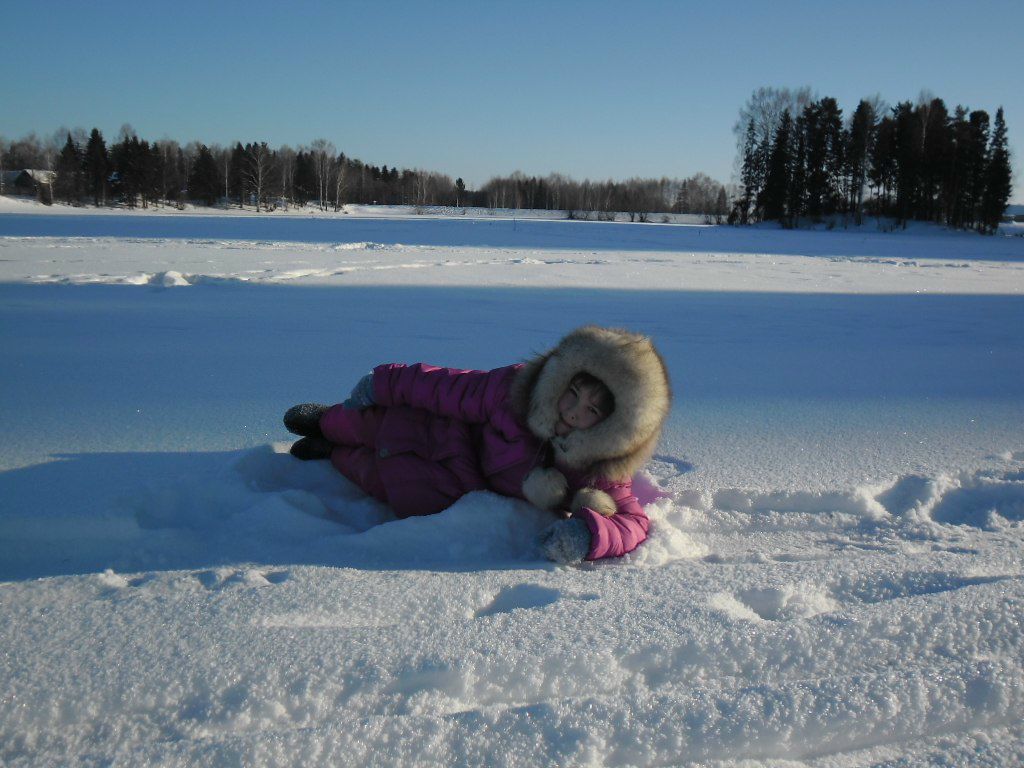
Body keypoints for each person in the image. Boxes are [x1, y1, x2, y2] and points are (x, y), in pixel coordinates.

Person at [284, 325, 671, 564]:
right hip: (425, 428)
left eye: (591, 410)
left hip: (431, 486)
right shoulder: (517, 390)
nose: (572, 412)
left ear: (614, 424)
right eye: (571, 394)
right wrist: (384, 383)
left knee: (368, 473)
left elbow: (633, 522)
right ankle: (325, 423)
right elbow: (446, 387)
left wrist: (588, 535)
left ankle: (331, 453)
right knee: (359, 424)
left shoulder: (599, 467)